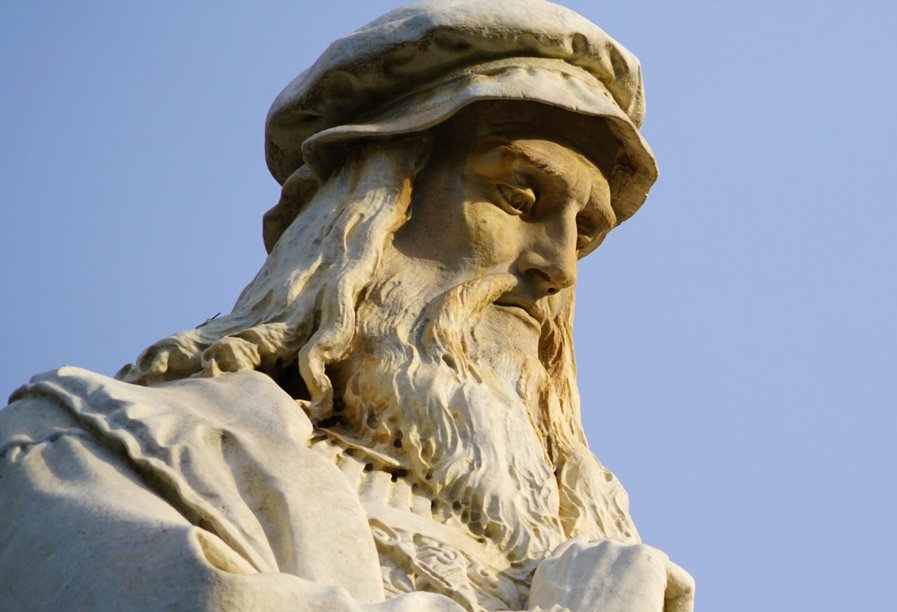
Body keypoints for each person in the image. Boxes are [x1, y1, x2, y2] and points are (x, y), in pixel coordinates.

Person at [0, 1, 692, 610]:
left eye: (587, 232)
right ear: (375, 205)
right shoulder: (101, 452)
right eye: (518, 197)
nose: (560, 266)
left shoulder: (604, 562)